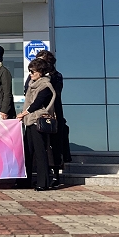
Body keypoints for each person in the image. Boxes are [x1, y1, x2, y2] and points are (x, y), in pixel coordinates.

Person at [18, 59, 57, 191]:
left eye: (33, 71)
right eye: (30, 71)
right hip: (29, 121)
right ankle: (24, 181)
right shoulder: (31, 84)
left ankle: (43, 182)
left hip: (38, 120)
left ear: (40, 72)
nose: (30, 74)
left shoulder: (46, 85)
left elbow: (37, 103)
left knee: (40, 152)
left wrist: (23, 113)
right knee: (27, 152)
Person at [37, 49, 70, 183]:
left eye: (41, 61)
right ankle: (45, 173)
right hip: (39, 112)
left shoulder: (56, 76)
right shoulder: (35, 75)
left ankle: (56, 174)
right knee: (42, 144)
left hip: (53, 113)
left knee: (55, 144)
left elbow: (54, 93)